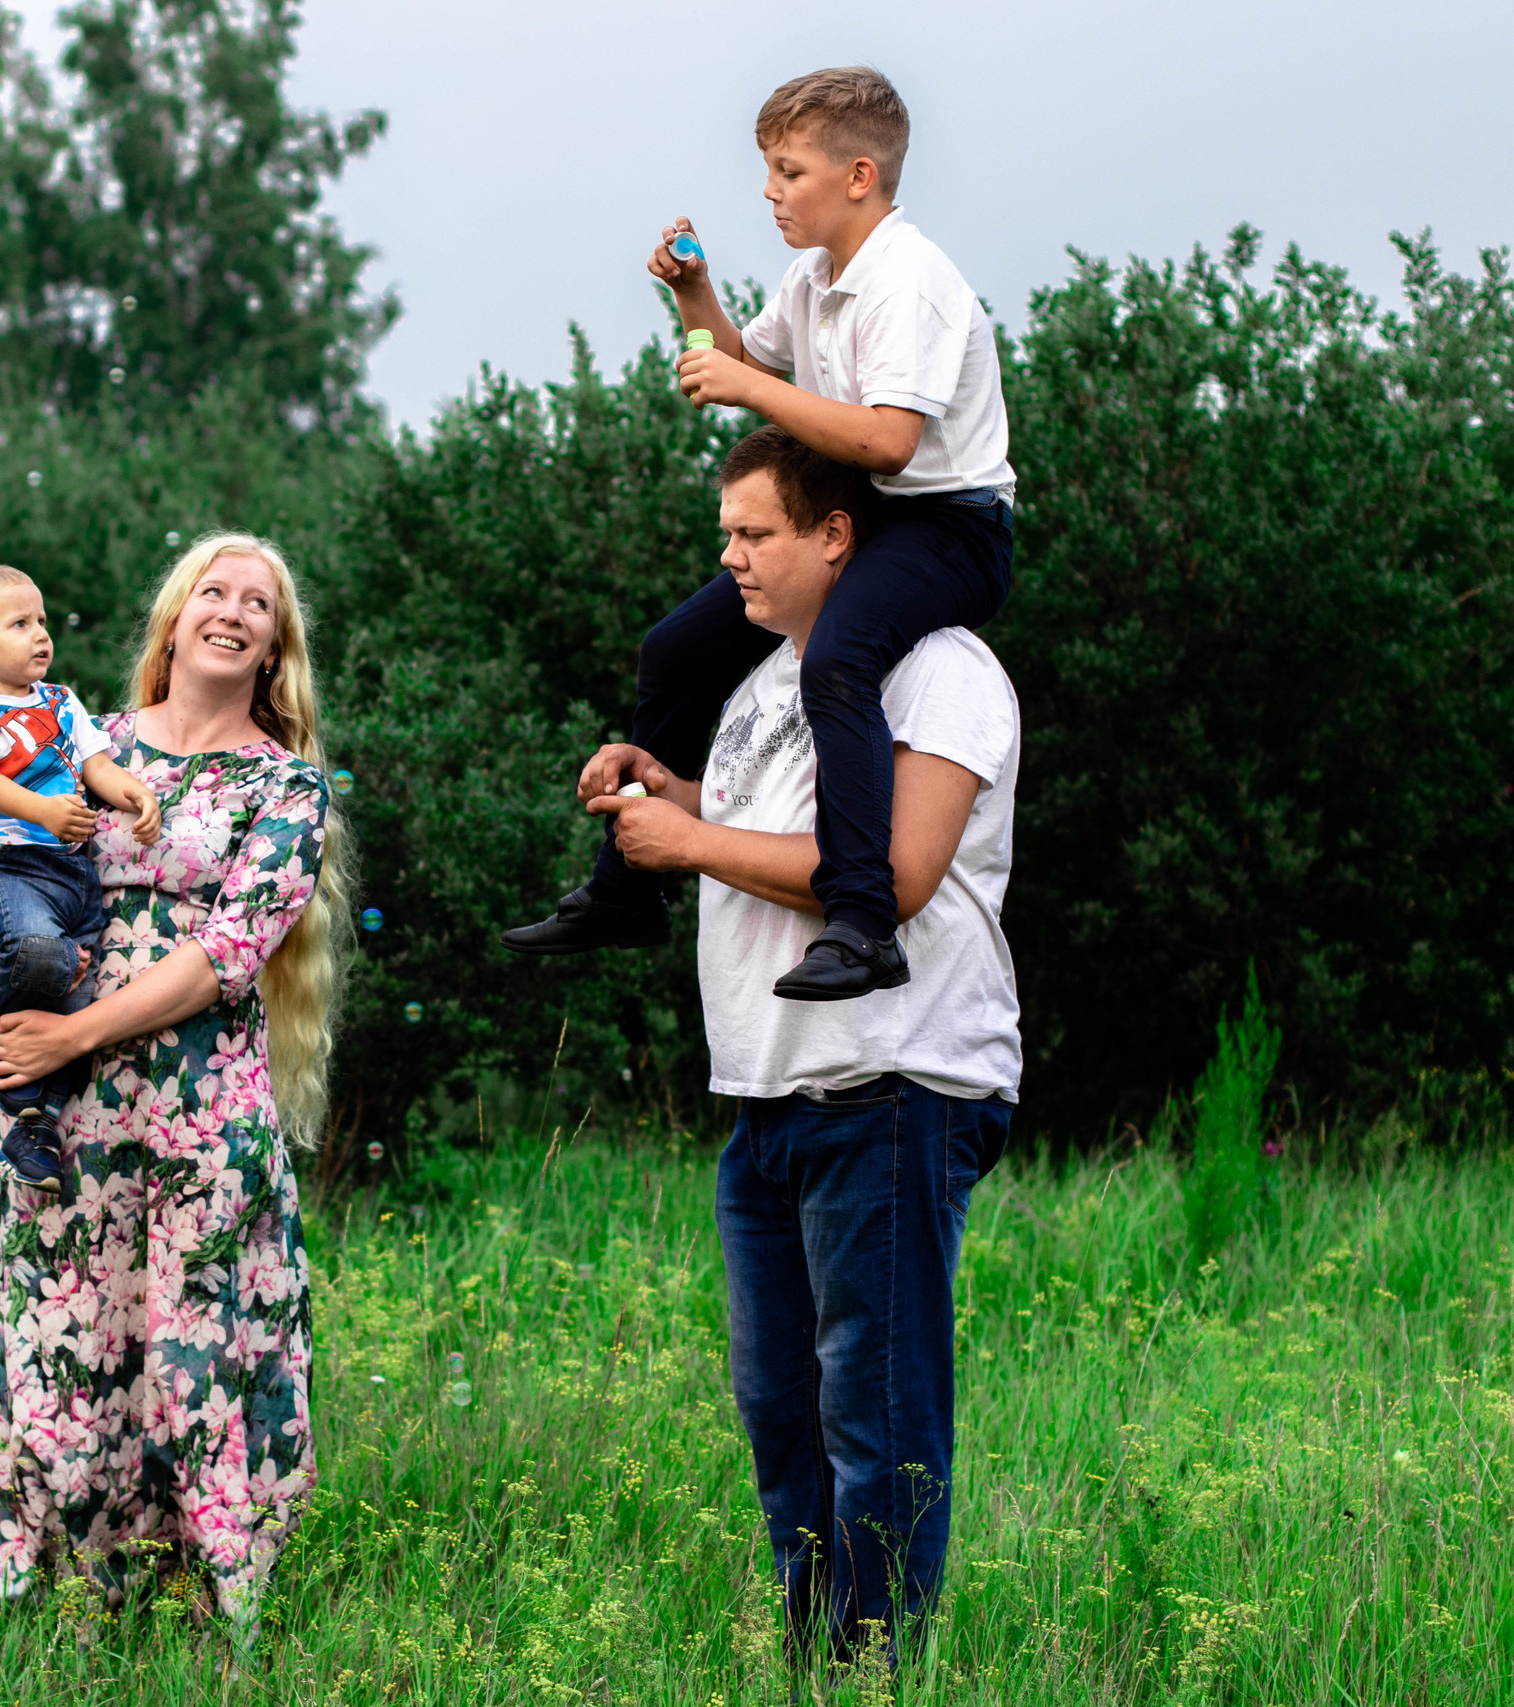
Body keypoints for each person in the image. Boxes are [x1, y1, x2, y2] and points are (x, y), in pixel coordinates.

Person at [585, 427, 1018, 1662]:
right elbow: (754, 827)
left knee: (872, 1417)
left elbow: (899, 874)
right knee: (781, 1410)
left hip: (890, 1084)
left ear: (837, 535)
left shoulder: (939, 669)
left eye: (752, 534)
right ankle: (813, 1662)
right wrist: (659, 795)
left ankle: (874, 1669)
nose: (728, 560)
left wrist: (693, 847)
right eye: (724, 535)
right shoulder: (769, 679)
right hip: (768, 1094)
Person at [0, 532, 345, 1653]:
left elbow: (234, 949)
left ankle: (209, 1622)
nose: (234, 610)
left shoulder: (286, 783)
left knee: (193, 1359)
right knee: (54, 1344)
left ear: (273, 647)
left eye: (259, 603)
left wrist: (72, 1029)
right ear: (173, 617)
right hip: (61, 1124)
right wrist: (12, 951)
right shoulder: (75, 740)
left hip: (200, 1122)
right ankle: (35, 1611)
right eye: (214, 589)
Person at [505, 65, 1016, 1003]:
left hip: (950, 527)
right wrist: (694, 293)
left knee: (838, 661)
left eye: (789, 172)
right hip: (864, 516)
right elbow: (737, 359)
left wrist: (750, 390)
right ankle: (628, 891)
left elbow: (891, 443)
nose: (770, 191)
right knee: (673, 649)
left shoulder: (908, 283)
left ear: (859, 177)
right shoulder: (816, 274)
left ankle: (863, 926)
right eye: (768, 171)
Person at [0, 563, 162, 1186]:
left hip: (74, 875)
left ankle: (34, 1127)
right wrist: (47, 813)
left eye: (42, 622)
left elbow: (98, 768)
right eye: (20, 623)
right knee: (40, 954)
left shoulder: (63, 702)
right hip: (7, 864)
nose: (40, 634)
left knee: (69, 1004)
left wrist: (134, 794)